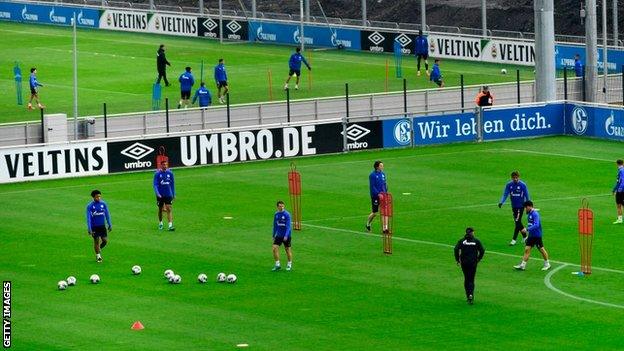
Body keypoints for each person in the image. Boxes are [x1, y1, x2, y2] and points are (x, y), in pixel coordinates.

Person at [514, 201, 551, 271]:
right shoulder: (530, 214)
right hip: (531, 235)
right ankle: (523, 265)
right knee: (527, 249)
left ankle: (547, 264)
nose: (525, 209)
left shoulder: (535, 214)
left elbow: (536, 225)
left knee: (541, 249)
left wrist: (527, 229)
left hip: (537, 236)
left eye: (526, 207)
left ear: (529, 206)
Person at [454, 227, 485, 305]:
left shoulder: (462, 241)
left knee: (466, 278)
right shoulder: (476, 241)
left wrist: (457, 259)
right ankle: (471, 295)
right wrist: (479, 259)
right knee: (471, 279)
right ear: (472, 233)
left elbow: (456, 249)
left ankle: (468, 295)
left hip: (464, 263)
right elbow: (482, 250)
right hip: (473, 263)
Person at [498, 171, 530, 245]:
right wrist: (501, 202)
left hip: (521, 206)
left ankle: (514, 240)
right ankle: (525, 237)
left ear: (519, 177)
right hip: (514, 207)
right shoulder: (509, 185)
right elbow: (505, 194)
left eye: (516, 177)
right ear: (511, 178)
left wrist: (528, 206)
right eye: (514, 178)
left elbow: (527, 195)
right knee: (517, 222)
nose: (515, 179)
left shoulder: (522, 185)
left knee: (517, 222)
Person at [86, 190, 112, 263]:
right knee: (96, 241)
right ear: (93, 197)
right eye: (97, 196)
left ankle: (98, 249)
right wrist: (89, 228)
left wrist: (109, 224)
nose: (99, 198)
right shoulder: (90, 206)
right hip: (94, 227)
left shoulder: (103, 204)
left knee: (105, 241)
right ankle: (98, 256)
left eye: (100, 196)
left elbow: (107, 214)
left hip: (102, 226)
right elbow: (88, 218)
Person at [366, 160, 388, 232]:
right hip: (375, 196)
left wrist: (385, 192)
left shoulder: (383, 174)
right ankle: (368, 223)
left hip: (383, 195)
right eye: (381, 165)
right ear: (377, 167)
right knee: (375, 213)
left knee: (385, 211)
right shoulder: (372, 175)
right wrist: (378, 194)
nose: (382, 167)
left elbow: (384, 184)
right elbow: (372, 186)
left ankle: (385, 228)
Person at [153, 160, 175, 231]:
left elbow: (172, 184)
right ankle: (160, 223)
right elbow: (155, 185)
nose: (165, 166)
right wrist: (157, 193)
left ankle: (170, 225)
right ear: (161, 165)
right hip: (160, 195)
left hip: (168, 194)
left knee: (169, 208)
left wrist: (173, 194)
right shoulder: (157, 174)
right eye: (164, 165)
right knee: (160, 210)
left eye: (166, 164)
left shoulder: (170, 173)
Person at [272, 200, 292, 271]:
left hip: (286, 235)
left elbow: (288, 227)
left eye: (283, 206)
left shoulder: (287, 214)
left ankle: (289, 264)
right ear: (277, 207)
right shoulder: (276, 214)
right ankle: (277, 264)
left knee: (287, 249)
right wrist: (273, 235)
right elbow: (275, 226)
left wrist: (286, 235)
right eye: (280, 206)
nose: (282, 207)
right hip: (279, 235)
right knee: (274, 248)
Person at [612, 159, 624, 224]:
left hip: (621, 191)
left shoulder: (621, 171)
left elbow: (621, 181)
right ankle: (620, 219)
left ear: (617, 164)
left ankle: (620, 219)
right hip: (622, 190)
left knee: (618, 205)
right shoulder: (622, 170)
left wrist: (618, 189)